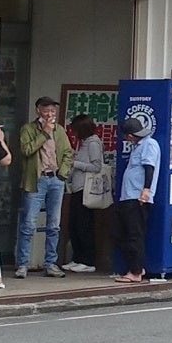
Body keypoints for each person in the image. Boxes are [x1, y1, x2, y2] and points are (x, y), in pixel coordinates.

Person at [111, 106, 165, 285]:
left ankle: (135, 272)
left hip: (138, 197)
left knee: (135, 234)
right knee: (121, 233)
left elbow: (149, 167)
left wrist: (146, 190)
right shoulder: (139, 146)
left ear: (130, 136)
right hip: (128, 196)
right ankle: (136, 267)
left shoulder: (149, 145)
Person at [13, 98, 65, 278]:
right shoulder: (28, 129)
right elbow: (26, 150)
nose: (50, 115)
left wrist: (62, 174)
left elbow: (67, 153)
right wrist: (44, 133)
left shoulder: (60, 130)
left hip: (55, 179)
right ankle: (23, 264)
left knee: (54, 225)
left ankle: (50, 263)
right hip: (36, 180)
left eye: (52, 111)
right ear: (38, 111)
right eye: (46, 111)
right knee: (28, 224)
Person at [64, 117, 111, 274]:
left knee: (84, 226)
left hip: (86, 189)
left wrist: (75, 164)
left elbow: (97, 166)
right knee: (75, 225)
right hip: (78, 189)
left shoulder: (93, 143)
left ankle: (88, 260)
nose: (73, 132)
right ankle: (78, 258)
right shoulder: (84, 142)